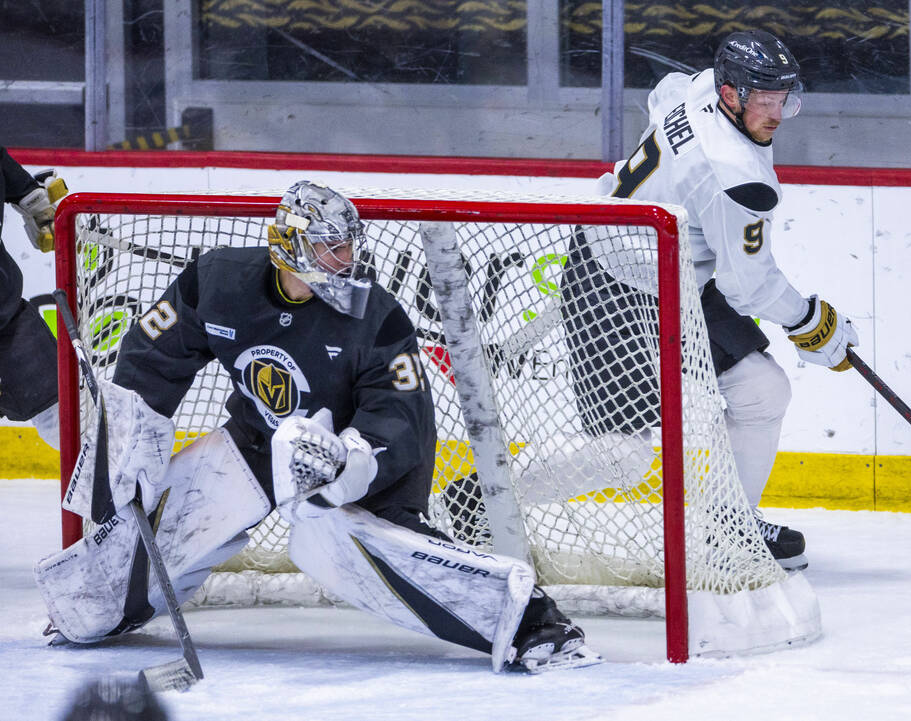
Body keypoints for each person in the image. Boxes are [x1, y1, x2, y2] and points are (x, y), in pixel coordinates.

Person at [34, 180, 600, 674]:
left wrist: (346, 462)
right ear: (290, 244)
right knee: (153, 533)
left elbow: (396, 417)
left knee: (369, 556)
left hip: (351, 465)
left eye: (349, 243)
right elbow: (150, 363)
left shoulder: (375, 314)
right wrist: (135, 441)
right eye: (331, 245)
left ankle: (532, 622)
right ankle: (101, 613)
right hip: (257, 442)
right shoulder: (216, 280)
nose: (346, 257)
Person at [574, 30, 859, 570]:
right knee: (620, 458)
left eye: (783, 99)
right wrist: (810, 323)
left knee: (762, 392)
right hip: (615, 283)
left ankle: (729, 527)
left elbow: (664, 92)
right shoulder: (736, 176)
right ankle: (480, 495)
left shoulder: (699, 86)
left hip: (673, 273)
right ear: (731, 95)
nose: (776, 113)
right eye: (764, 100)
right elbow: (746, 286)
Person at [1, 145, 66, 449]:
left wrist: (33, 200)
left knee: (66, 419)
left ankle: (112, 490)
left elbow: (15, 180)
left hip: (8, 318)